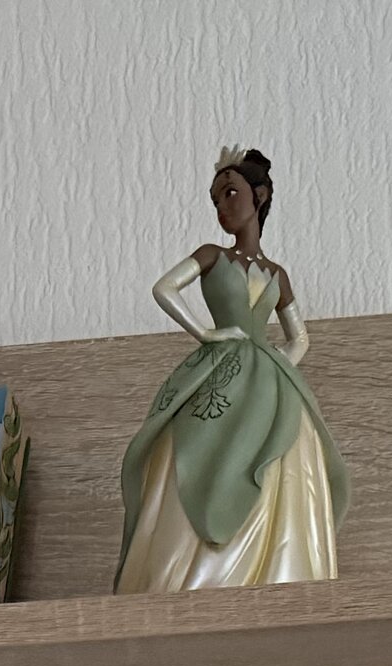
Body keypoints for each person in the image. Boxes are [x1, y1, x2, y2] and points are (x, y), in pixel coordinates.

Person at [113, 148, 348, 592]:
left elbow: (300, 338)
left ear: (259, 196)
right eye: (216, 199)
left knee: (284, 453)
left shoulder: (277, 273)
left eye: (230, 193)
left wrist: (277, 367)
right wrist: (205, 332)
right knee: (197, 445)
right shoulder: (211, 255)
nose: (222, 206)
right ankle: (193, 572)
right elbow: (164, 289)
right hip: (218, 368)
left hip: (269, 379)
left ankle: (284, 572)